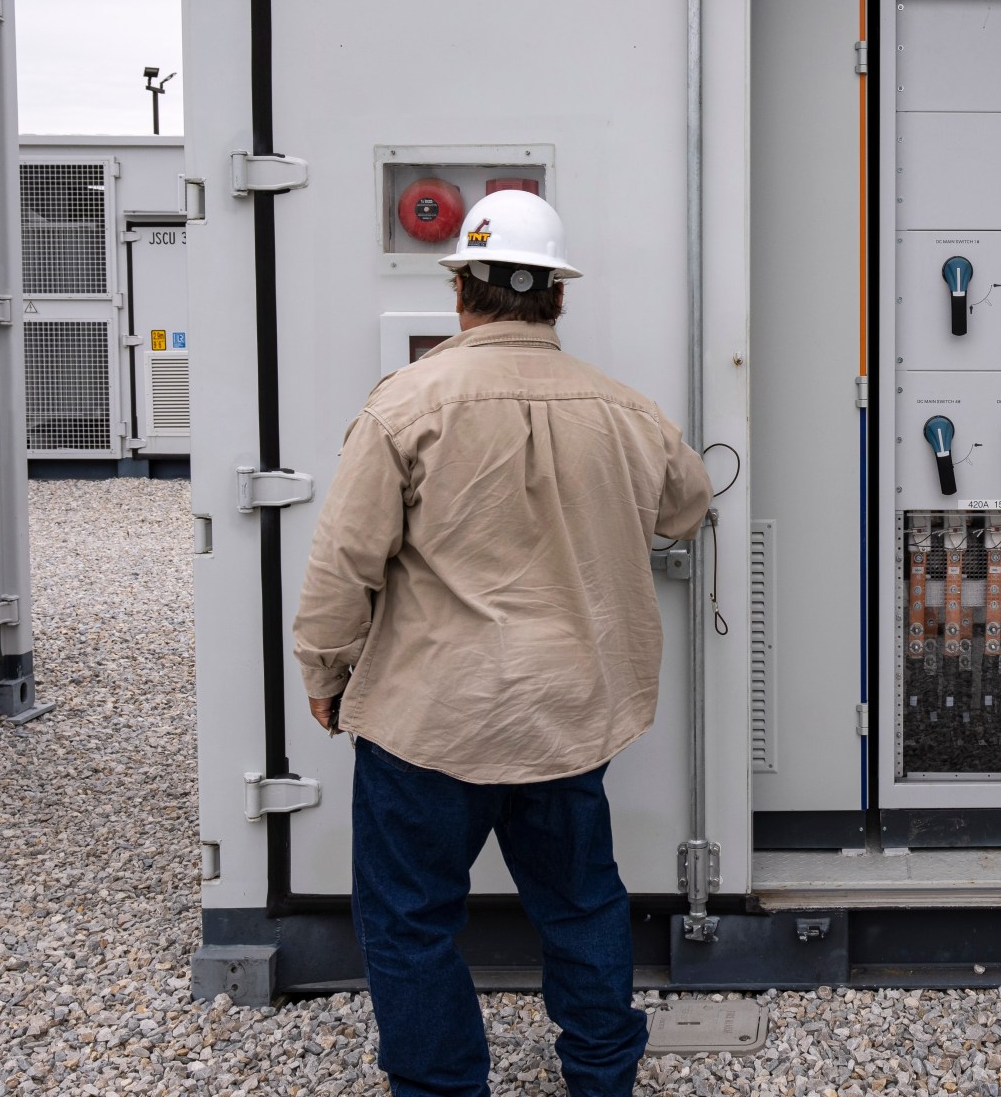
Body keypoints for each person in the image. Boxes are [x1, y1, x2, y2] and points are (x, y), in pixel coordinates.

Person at [293, 188, 711, 1097]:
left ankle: (442, 1088)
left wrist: (325, 672)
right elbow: (688, 507)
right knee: (581, 903)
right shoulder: (627, 412)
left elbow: (343, 563)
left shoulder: (405, 405)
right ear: (558, 297)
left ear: (460, 292)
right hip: (567, 713)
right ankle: (603, 1077)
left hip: (428, 720)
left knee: (409, 921)